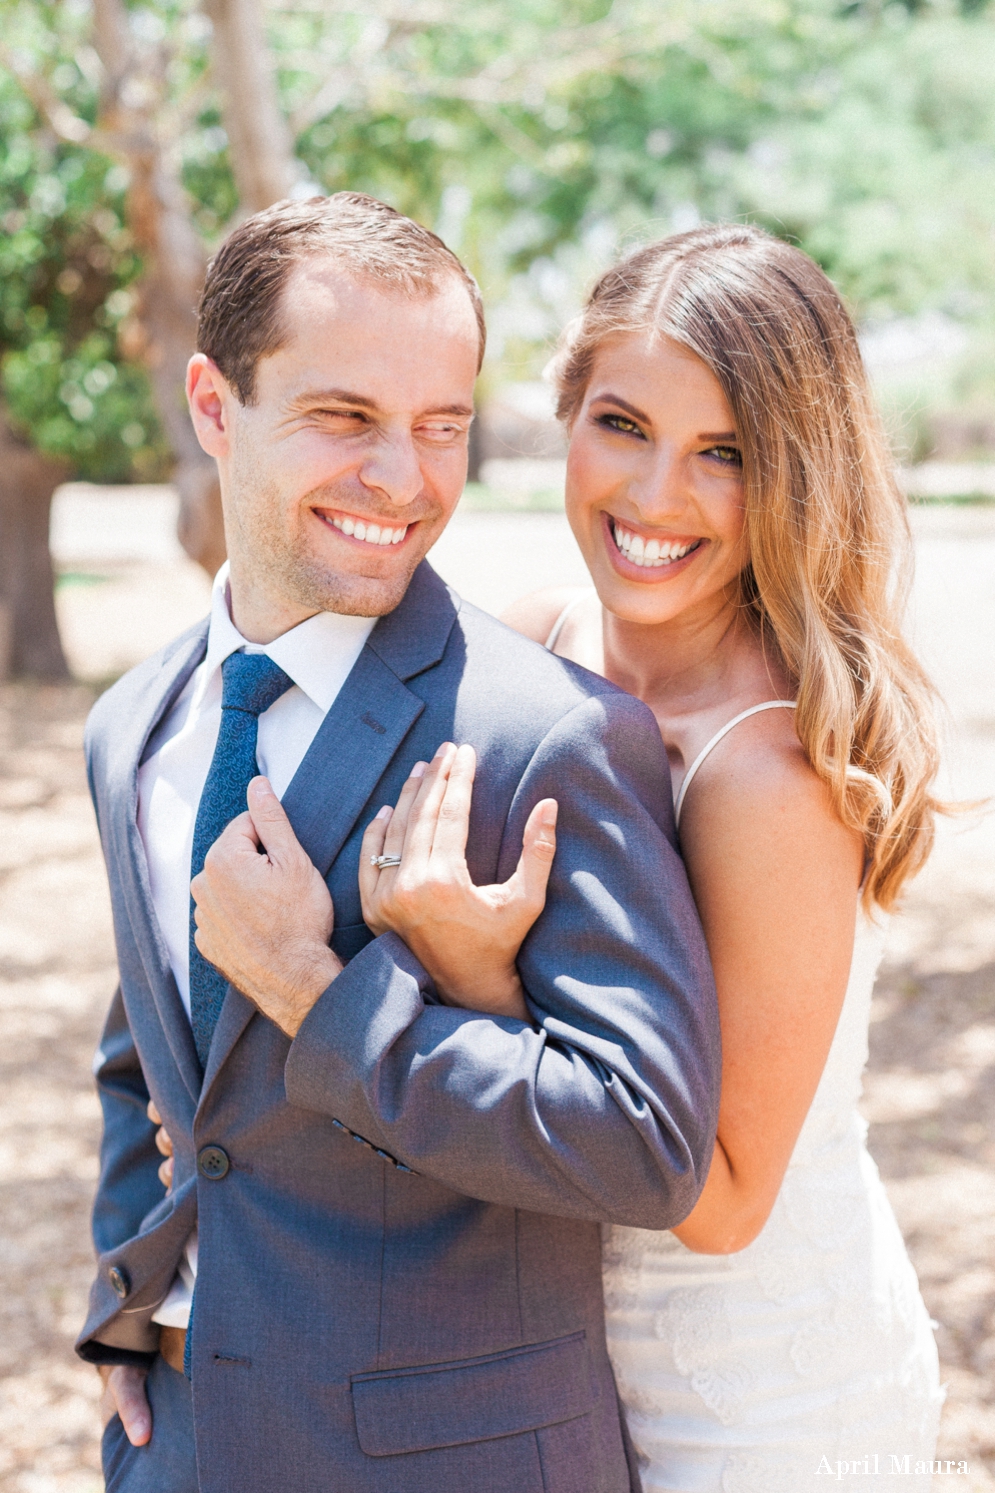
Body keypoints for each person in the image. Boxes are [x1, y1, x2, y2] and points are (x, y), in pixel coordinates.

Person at [78, 191, 721, 1493]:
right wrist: (125, 1295)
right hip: (186, 1449)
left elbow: (644, 1145)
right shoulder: (132, 725)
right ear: (213, 406)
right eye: (344, 417)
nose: (404, 478)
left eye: (441, 426)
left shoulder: (544, 734)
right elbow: (145, 1060)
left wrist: (321, 999)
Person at [348, 225, 946, 1492]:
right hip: (541, 1349)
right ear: (563, 414)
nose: (655, 496)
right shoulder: (530, 643)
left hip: (750, 1402)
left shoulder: (764, 779)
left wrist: (482, 982)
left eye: (721, 453)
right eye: (621, 424)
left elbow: (721, 1195)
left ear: (795, 472)